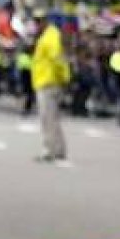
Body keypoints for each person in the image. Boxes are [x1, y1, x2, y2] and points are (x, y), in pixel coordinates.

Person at [31, 9, 70, 162]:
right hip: (46, 81)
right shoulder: (48, 36)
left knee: (47, 118)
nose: (37, 24)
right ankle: (59, 149)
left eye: (39, 21)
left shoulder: (51, 36)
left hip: (48, 82)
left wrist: (62, 78)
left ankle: (49, 150)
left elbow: (57, 60)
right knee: (52, 117)